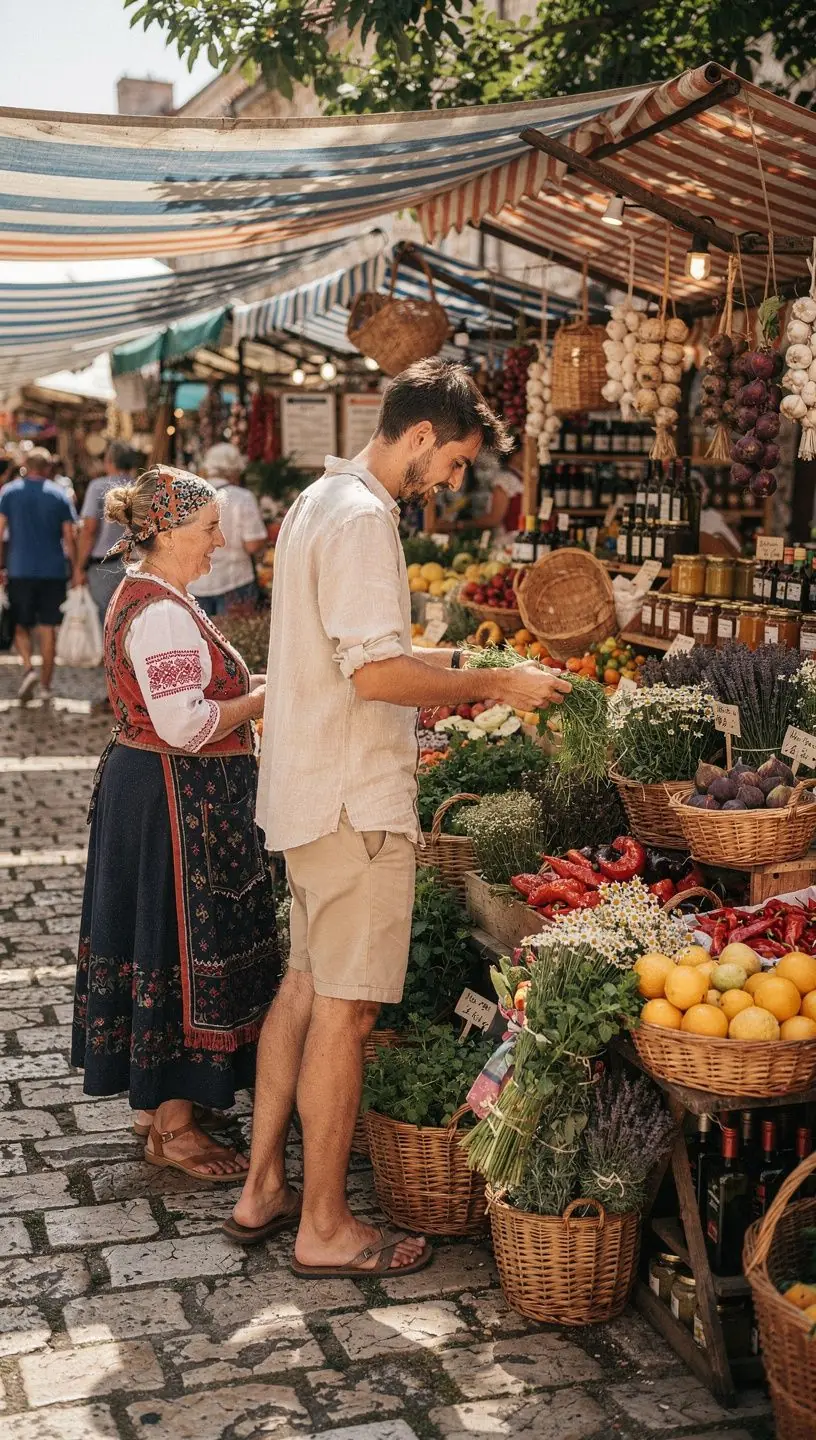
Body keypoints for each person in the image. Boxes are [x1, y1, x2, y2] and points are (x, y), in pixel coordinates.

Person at [228, 359, 571, 1273]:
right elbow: (375, 677)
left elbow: (359, 648)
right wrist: (498, 679)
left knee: (302, 991)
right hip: (354, 804)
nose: (455, 483)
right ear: (420, 437)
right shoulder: (365, 519)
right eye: (455, 462)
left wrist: (453, 651)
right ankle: (327, 1229)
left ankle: (265, 1188)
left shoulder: (318, 501)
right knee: (344, 1014)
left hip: (307, 794)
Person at [71, 465, 280, 1183]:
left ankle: (165, 1101)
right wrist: (266, 698)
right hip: (171, 799)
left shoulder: (159, 595)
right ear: (162, 533)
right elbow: (185, 723)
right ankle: (174, 1127)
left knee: (159, 939)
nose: (220, 541)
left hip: (168, 795)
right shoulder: (160, 611)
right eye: (207, 529)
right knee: (171, 943)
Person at [0, 446, 78, 704]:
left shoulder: (9, 492)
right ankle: (45, 686)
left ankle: (27, 668)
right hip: (53, 571)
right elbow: (70, 535)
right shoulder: (59, 494)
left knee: (20, 624)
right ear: (48, 469)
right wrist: (77, 568)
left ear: (25, 467)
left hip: (19, 568)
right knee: (48, 628)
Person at [189, 443, 267, 617]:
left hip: (196, 584)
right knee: (233, 641)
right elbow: (253, 545)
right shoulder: (242, 497)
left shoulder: (190, 496)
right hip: (235, 582)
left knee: (201, 642)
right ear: (234, 469)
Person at [74, 441, 137, 624]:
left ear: (109, 461)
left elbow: (89, 529)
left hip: (103, 565)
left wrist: (79, 567)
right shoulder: (141, 486)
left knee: (106, 621)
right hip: (136, 562)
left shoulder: (98, 486)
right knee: (130, 619)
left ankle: (107, 654)